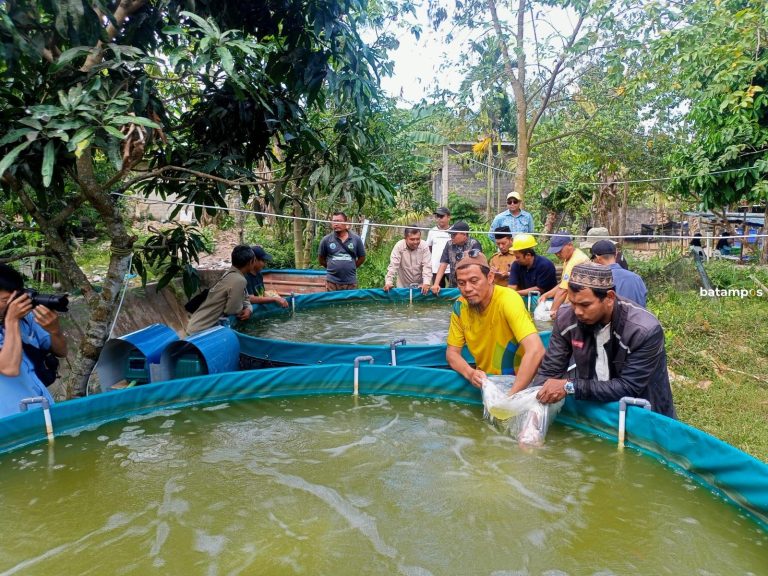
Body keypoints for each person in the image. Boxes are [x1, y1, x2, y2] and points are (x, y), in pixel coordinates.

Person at [533, 262, 676, 418]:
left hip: (642, 413)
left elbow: (629, 387)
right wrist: (534, 418)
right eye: (573, 303)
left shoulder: (643, 330)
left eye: (585, 305)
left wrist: (570, 386)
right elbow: (550, 371)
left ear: (609, 298)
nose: (578, 312)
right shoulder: (566, 319)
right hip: (593, 410)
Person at [445, 251, 545, 393]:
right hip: (487, 382)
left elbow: (536, 350)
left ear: (490, 277)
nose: (467, 288)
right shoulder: (460, 306)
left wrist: (510, 398)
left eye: (474, 281)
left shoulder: (508, 300)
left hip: (521, 382)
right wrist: (470, 373)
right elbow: (452, 353)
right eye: (461, 283)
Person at [0, 264, 67, 418]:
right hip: (9, 422)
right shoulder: (15, 319)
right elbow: (9, 368)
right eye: (5, 300)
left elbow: (62, 351)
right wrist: (12, 320)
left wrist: (55, 330)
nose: (13, 304)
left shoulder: (26, 319)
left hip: (43, 409)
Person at [186, 245, 254, 334]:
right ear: (250, 262)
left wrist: (249, 308)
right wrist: (243, 309)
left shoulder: (230, 273)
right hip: (201, 330)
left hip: (196, 324)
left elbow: (245, 297)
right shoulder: (239, 280)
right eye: (254, 260)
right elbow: (232, 310)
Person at [539, 232, 589, 319]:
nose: (557, 254)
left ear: (570, 245)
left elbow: (563, 290)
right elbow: (563, 284)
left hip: (580, 307)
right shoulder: (568, 258)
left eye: (559, 251)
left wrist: (551, 314)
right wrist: (546, 295)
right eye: (555, 252)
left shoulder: (576, 260)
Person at [318, 211, 366, 291]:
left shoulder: (356, 239)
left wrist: (352, 267)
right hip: (332, 282)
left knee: (350, 303)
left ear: (345, 223)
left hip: (350, 282)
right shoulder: (326, 240)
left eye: (339, 221)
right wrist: (331, 267)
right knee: (332, 303)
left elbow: (362, 258)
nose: (336, 224)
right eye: (334, 221)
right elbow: (321, 260)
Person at [590, 240, 647, 307]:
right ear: (616, 254)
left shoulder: (599, 281)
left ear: (597, 258)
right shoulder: (636, 278)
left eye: (592, 260)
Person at [431, 221, 482, 293]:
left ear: (464, 234)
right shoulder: (449, 244)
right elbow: (443, 264)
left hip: (470, 286)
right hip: (454, 286)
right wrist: (436, 284)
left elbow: (479, 266)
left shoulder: (474, 244)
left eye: (454, 235)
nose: (451, 237)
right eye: (451, 235)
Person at [508, 234, 558, 300]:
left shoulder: (545, 265)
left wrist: (516, 293)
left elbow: (540, 289)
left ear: (528, 255)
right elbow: (512, 287)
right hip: (525, 297)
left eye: (518, 257)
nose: (516, 260)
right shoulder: (516, 265)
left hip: (546, 299)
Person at [383, 227, 432, 294]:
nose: (415, 242)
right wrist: (389, 282)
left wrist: (426, 282)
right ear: (405, 238)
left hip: (421, 287)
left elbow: (427, 265)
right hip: (403, 287)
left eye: (418, 239)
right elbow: (393, 265)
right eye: (412, 239)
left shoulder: (424, 245)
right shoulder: (399, 246)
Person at [426, 207, 452, 288]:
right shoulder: (432, 232)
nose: (439, 219)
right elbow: (429, 247)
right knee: (437, 290)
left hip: (451, 268)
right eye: (437, 216)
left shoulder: (454, 231)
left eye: (442, 216)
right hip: (436, 267)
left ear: (448, 217)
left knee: (454, 290)